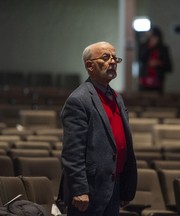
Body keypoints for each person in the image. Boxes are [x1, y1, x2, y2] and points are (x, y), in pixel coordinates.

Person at [59, 41, 137, 216]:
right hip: (89, 189)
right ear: (90, 66)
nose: (112, 61)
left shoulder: (116, 97)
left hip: (113, 185)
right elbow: (72, 152)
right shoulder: (79, 100)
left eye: (114, 57)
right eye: (105, 57)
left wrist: (125, 186)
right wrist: (79, 189)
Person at [138, 26, 172, 93]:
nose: (153, 39)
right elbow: (141, 59)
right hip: (144, 80)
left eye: (155, 37)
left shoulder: (163, 49)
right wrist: (149, 47)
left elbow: (169, 66)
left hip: (158, 82)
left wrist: (158, 63)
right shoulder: (144, 46)